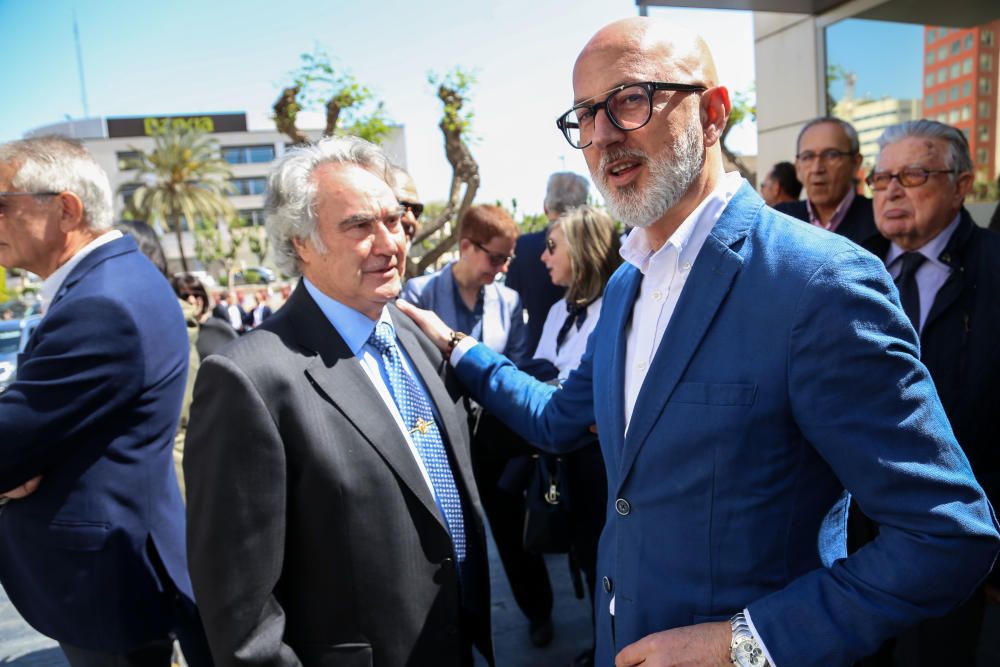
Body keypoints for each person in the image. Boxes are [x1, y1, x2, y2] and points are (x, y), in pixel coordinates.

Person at [396, 17, 1000, 667]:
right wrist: (459, 346)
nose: (601, 135)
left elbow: (946, 533)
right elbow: (558, 418)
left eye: (630, 100)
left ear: (713, 113)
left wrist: (744, 644)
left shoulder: (817, 283)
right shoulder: (627, 286)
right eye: (584, 115)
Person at [184, 135, 493, 666]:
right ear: (301, 242)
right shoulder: (248, 380)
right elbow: (242, 618)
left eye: (394, 221)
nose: (389, 242)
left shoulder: (414, 334)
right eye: (359, 226)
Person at [0, 136, 211, 666]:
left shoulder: (102, 303)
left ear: (66, 208)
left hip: (104, 583)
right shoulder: (118, 279)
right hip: (114, 568)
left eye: (2, 206)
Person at [852, 119, 1000, 666]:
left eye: (914, 174)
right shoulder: (842, 265)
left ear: (961, 185)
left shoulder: (993, 268)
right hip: (851, 531)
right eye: (882, 176)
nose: (891, 190)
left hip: (951, 532)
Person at [401, 205, 554, 647]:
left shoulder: (508, 300)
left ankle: (538, 610)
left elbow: (518, 370)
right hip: (438, 442)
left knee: (513, 536)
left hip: (498, 443)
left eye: (508, 260)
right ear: (465, 246)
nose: (504, 269)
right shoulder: (419, 294)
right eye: (497, 258)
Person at [535, 205, 621, 667]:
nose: (544, 258)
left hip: (603, 462)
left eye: (553, 246)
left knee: (608, 559)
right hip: (567, 459)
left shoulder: (617, 307)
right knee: (587, 559)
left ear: (584, 250)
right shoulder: (556, 311)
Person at [505, 171, 589, 351]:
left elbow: (511, 300)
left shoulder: (523, 246)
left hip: (533, 352)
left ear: (545, 207)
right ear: (585, 208)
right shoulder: (603, 245)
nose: (546, 257)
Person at [776, 117, 881, 245]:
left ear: (855, 163)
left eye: (831, 155)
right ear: (798, 167)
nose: (817, 168)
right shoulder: (780, 221)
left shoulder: (880, 219)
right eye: (808, 157)